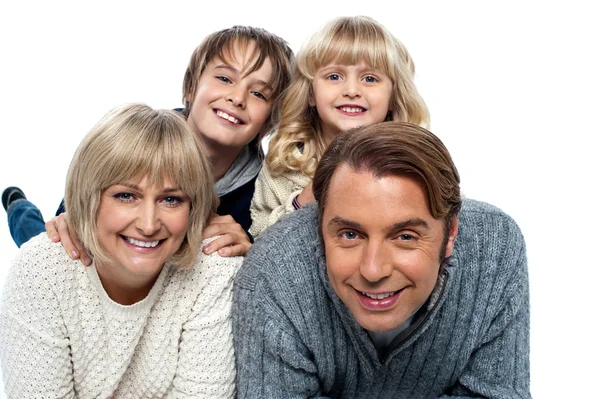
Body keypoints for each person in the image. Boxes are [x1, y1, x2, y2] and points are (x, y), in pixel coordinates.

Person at [233, 122, 531, 398]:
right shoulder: (271, 272)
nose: (373, 270)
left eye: (405, 237)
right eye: (350, 235)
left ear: (451, 232)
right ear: (319, 225)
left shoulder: (495, 247)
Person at [0, 103, 242, 397]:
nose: (149, 224)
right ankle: (16, 204)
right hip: (59, 252)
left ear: (194, 208)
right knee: (30, 228)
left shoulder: (215, 271)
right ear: (89, 197)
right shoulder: (41, 270)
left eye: (171, 200)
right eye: (126, 196)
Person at [4, 24, 295, 259]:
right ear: (190, 87)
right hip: (112, 259)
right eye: (224, 78)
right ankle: (17, 204)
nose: (237, 98)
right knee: (38, 241)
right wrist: (70, 220)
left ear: (270, 120)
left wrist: (250, 252)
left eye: (259, 93)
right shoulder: (135, 139)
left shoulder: (266, 191)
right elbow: (82, 196)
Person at [249, 15, 429, 238]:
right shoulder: (285, 164)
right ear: (311, 94)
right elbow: (259, 241)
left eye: (370, 79)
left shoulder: (418, 163)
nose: (352, 90)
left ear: (393, 96)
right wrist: (303, 201)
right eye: (334, 76)